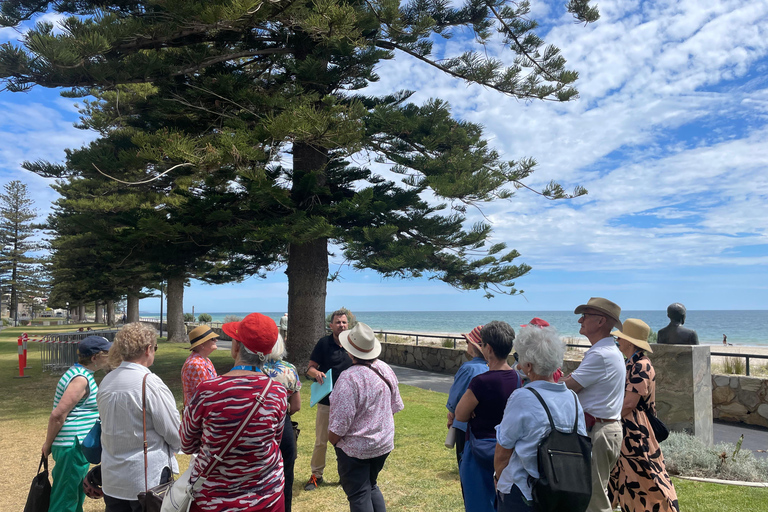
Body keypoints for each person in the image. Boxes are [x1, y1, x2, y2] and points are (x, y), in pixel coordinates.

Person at [181, 313, 288, 512]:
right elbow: (274, 440)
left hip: (213, 500)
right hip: (267, 497)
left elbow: (187, 444)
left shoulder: (207, 390)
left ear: (237, 346)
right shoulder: (278, 392)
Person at [494, 325, 587, 512]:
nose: (518, 365)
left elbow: (503, 451)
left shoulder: (522, 397)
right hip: (563, 491)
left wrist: (498, 479)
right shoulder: (573, 399)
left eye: (520, 359)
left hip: (525, 492)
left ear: (529, 366)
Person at [98, 322, 181, 512]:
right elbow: (174, 432)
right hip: (145, 481)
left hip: (112, 478)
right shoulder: (149, 382)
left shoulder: (107, 380)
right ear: (148, 349)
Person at [329, 322, 404, 512]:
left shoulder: (348, 378)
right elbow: (395, 406)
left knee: (359, 494)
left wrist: (332, 440)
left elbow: (339, 424)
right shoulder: (385, 369)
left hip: (355, 449)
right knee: (370, 485)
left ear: (350, 351)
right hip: (382, 444)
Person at [608, 319, 680, 512]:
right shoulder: (631, 363)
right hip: (627, 428)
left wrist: (607, 416)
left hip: (636, 431)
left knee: (647, 477)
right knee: (624, 477)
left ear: (630, 342)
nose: (617, 340)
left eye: (620, 338)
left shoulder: (641, 365)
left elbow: (630, 403)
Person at [563, 298, 625, 512]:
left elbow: (568, 388)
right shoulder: (608, 351)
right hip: (602, 429)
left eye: (586, 316)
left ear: (600, 321)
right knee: (593, 495)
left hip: (598, 432)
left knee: (594, 500)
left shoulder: (600, 354)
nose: (580, 320)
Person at [455, 321, 520, 512]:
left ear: (488, 348)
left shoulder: (481, 382)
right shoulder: (515, 377)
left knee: (478, 501)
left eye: (482, 344)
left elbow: (460, 413)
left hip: (479, 449)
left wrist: (471, 410)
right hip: (505, 449)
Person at [42, 335, 112, 512]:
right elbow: (58, 415)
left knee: (72, 494)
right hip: (71, 446)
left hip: (75, 446)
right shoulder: (81, 379)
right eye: (106, 353)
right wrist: (47, 444)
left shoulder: (81, 374)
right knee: (66, 499)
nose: (110, 355)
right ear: (95, 357)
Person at [304, 309, 353, 490]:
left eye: (344, 322)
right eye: (338, 322)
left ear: (348, 325)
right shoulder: (323, 344)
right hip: (326, 402)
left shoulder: (352, 344)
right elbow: (309, 368)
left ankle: (347, 476)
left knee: (347, 442)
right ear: (331, 325)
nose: (341, 325)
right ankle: (316, 476)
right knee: (321, 441)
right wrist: (316, 373)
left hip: (348, 404)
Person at [263, 334, 302, 512]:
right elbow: (296, 406)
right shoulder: (289, 369)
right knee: (287, 473)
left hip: (257, 424)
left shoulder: (254, 369)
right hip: (282, 423)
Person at [446, 325, 488, 468]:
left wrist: (451, 413)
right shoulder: (492, 367)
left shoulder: (468, 368)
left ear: (474, 346)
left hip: (464, 425)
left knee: (465, 465)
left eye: (468, 341)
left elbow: (455, 396)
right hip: (486, 429)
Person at [181, 324, 219, 407]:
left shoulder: (205, 360)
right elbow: (206, 394)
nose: (216, 340)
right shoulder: (196, 364)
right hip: (198, 414)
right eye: (212, 339)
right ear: (202, 344)